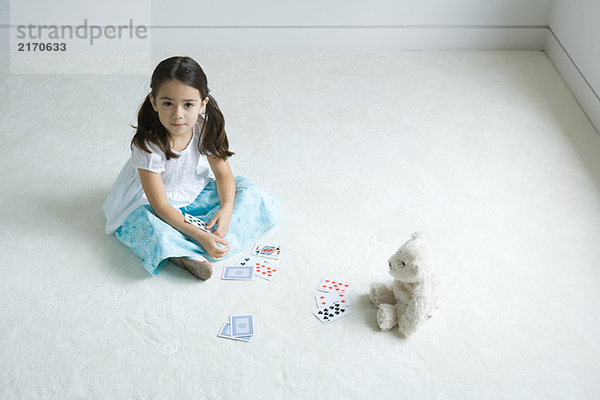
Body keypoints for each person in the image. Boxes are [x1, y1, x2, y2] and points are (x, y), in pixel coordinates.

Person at [103, 56, 282, 280]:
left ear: (203, 104)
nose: (178, 114)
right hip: (152, 203)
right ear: (153, 101)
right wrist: (200, 235)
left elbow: (224, 173)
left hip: (192, 190)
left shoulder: (203, 129)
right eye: (168, 103)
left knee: (247, 190)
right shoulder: (148, 145)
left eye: (188, 105)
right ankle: (184, 254)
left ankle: (198, 242)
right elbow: (160, 206)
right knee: (146, 227)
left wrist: (226, 209)